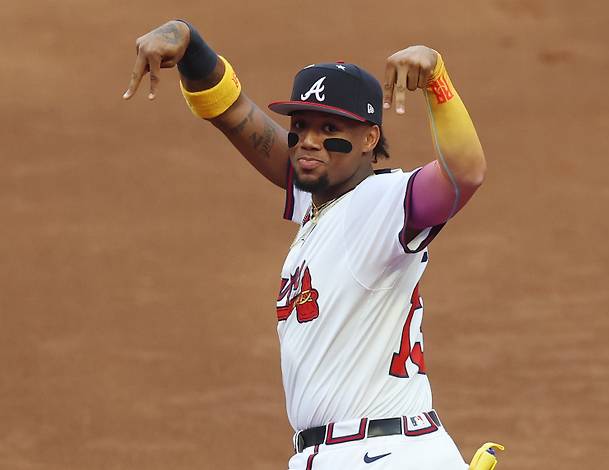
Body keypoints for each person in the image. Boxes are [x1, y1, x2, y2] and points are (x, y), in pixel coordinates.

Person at [123, 19, 487, 470]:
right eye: (301, 126)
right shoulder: (322, 207)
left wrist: (436, 80)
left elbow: (463, 174)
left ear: (369, 139)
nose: (310, 141)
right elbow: (235, 115)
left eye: (330, 127)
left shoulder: (380, 204)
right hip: (354, 452)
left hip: (380, 453)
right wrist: (191, 44)